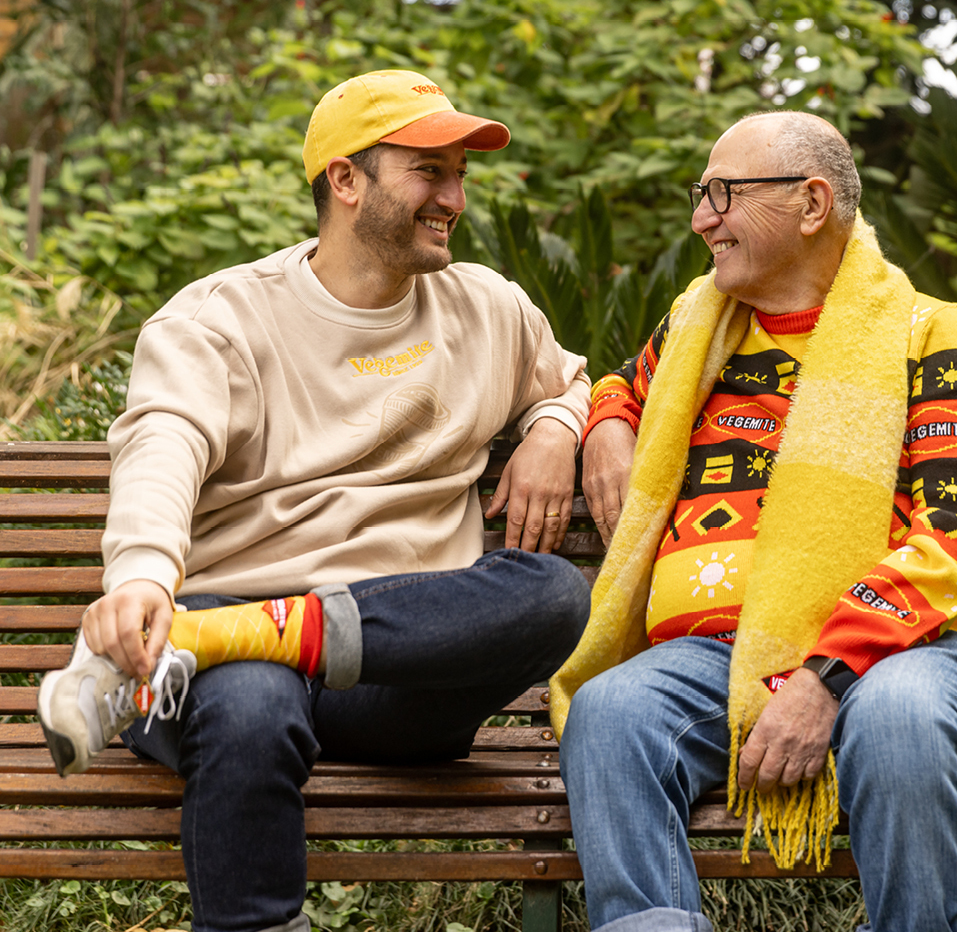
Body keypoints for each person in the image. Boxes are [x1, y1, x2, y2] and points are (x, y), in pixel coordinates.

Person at [38, 69, 593, 932]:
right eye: (428, 171)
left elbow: (571, 380)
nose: (453, 196)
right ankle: (220, 637)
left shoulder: (489, 308)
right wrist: (144, 574)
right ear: (345, 180)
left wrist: (556, 424)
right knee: (253, 703)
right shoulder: (221, 317)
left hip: (398, 680)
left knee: (554, 595)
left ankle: (220, 633)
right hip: (221, 676)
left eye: (460, 175)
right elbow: (164, 440)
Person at [549, 110, 957, 932]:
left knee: (899, 720)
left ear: (811, 202)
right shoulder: (696, 327)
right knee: (609, 713)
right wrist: (609, 423)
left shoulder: (922, 331)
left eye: (723, 193)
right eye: (701, 194)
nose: (700, 219)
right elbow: (617, 382)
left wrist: (822, 676)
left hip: (899, 655)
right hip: (708, 659)